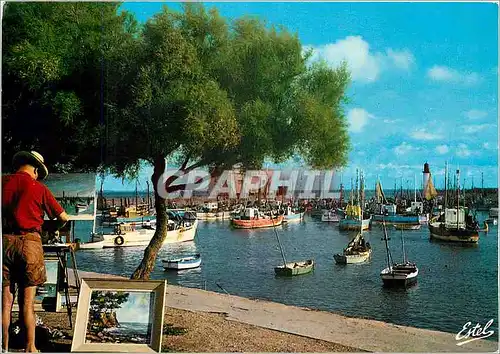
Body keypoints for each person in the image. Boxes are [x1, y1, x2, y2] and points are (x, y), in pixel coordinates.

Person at [2, 151, 69, 353]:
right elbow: (63, 217)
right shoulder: (38, 187)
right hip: (30, 243)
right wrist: (48, 228)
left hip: (3, 242)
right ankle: (30, 347)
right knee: (27, 302)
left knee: (5, 302)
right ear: (36, 170)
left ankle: (3, 347)